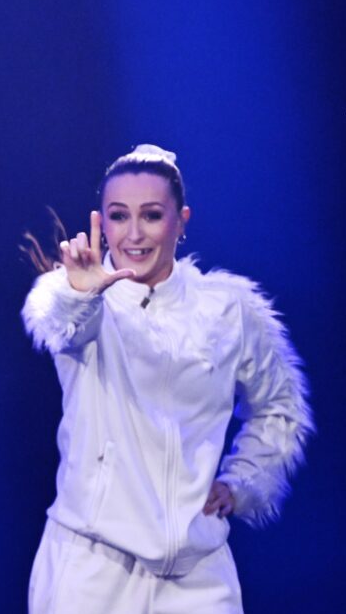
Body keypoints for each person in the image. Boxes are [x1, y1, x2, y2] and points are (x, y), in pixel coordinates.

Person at [21, 145, 312, 613]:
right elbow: (61, 327)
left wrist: (245, 480)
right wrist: (79, 292)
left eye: (152, 215)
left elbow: (280, 408)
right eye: (118, 217)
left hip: (198, 576)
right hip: (90, 571)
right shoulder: (81, 297)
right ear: (102, 221)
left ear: (182, 220)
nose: (133, 234)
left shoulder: (228, 309)